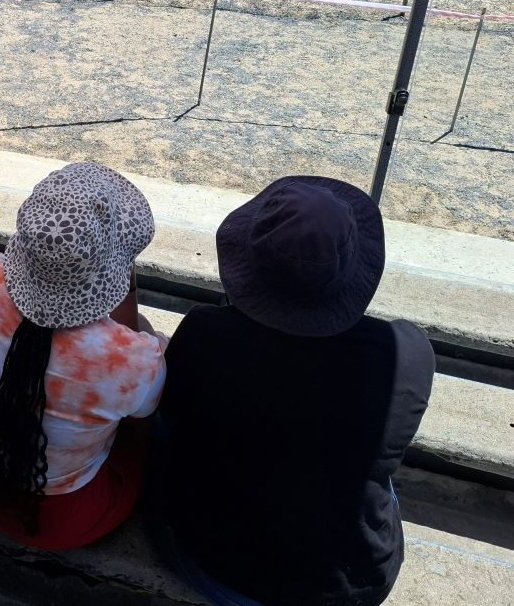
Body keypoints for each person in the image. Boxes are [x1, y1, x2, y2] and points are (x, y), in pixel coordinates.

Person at [148, 176, 435, 606]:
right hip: (352, 584)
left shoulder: (206, 333)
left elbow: (171, 417)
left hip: (211, 564)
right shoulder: (408, 354)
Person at [0, 162, 165, 550]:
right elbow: (140, 420)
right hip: (61, 517)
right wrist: (126, 289)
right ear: (114, 267)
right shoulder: (133, 360)